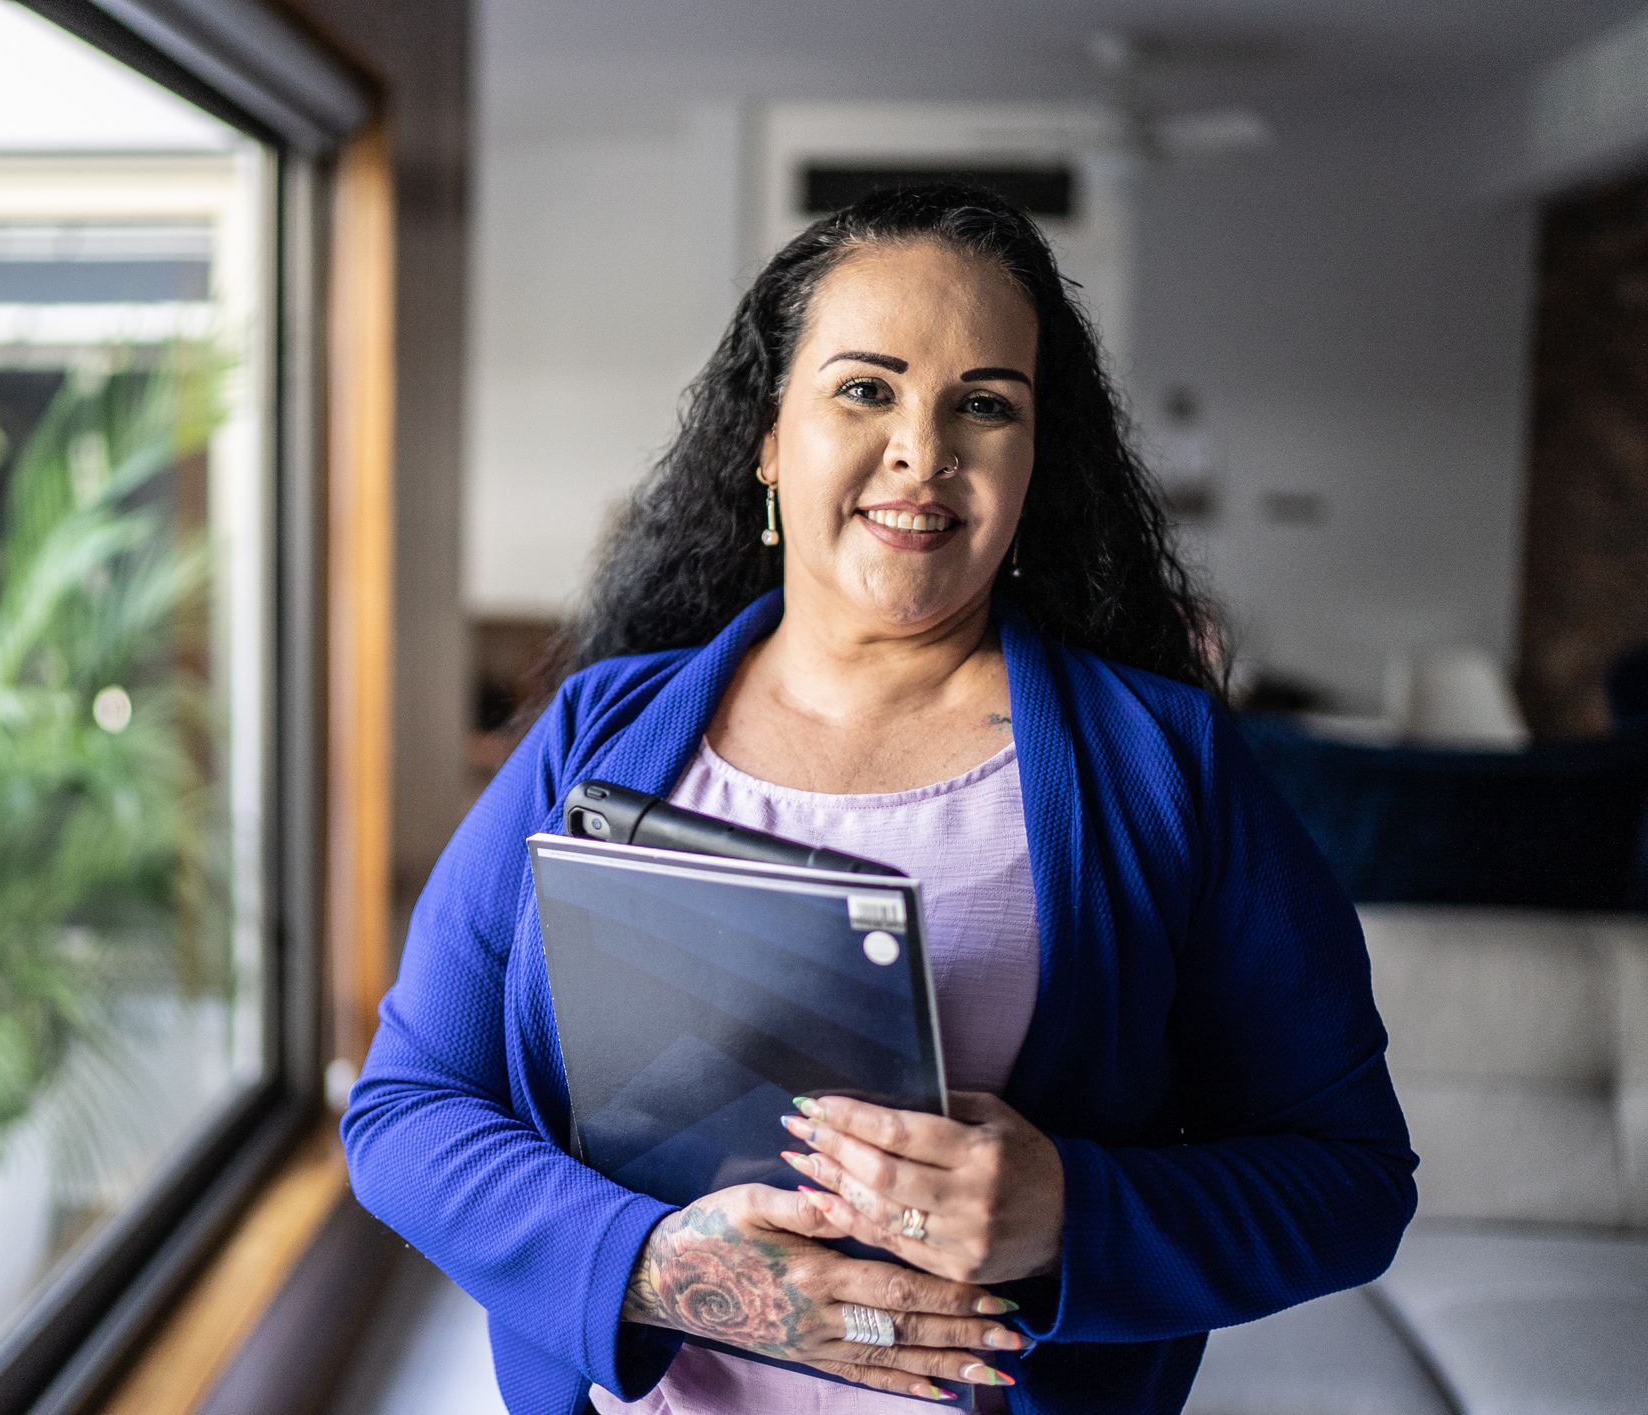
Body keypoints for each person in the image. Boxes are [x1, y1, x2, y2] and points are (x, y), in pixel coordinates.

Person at [342, 185, 1415, 1415]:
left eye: (986, 405)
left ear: (1033, 460)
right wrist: (649, 1269)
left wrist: (1072, 1210)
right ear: (768, 435)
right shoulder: (601, 733)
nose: (925, 449)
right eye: (866, 387)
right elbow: (409, 1111)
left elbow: (1350, 1179)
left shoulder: (1164, 765)